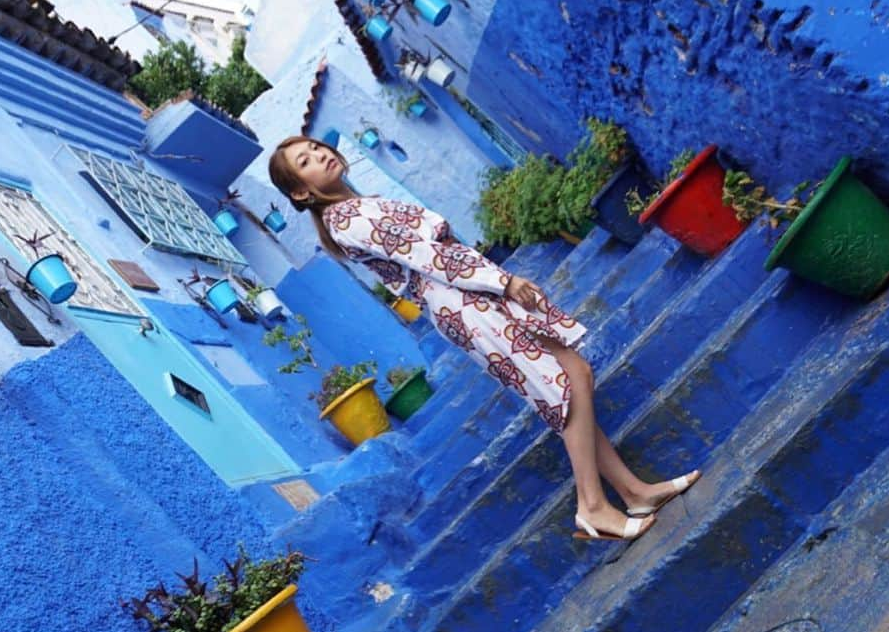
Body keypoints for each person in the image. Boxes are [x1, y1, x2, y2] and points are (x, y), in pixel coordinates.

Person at [268, 135, 699, 541]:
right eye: (304, 161)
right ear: (301, 193)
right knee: (560, 386)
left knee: (572, 375)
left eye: (313, 146)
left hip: (466, 291)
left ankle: (633, 492)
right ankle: (590, 503)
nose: (319, 154)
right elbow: (425, 255)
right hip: (462, 299)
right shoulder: (345, 219)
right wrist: (502, 282)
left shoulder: (357, 206)